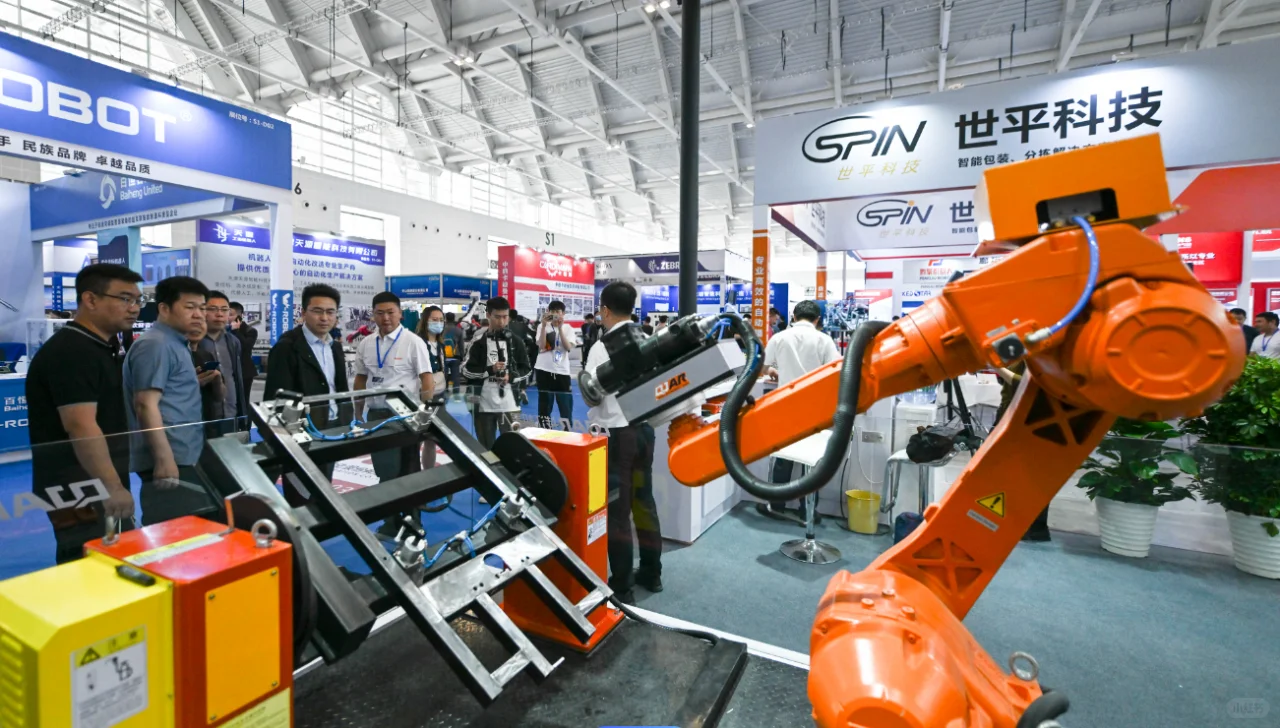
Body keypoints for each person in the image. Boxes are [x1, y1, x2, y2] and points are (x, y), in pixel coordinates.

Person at [26, 264, 142, 563]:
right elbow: (80, 425)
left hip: (94, 480)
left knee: (112, 560)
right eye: (125, 298)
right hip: (79, 486)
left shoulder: (100, 346)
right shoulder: (72, 352)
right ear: (90, 299)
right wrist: (111, 486)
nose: (134, 308)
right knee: (88, 564)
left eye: (137, 300)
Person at [587, 281, 662, 602]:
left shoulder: (602, 347)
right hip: (644, 432)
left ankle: (622, 585)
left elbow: (592, 396)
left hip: (617, 436)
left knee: (617, 512)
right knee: (644, 503)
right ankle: (652, 573)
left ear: (605, 310)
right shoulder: (649, 339)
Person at [122, 275, 214, 526]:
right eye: (190, 307)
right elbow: (145, 404)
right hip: (169, 458)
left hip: (184, 453)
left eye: (202, 308)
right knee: (170, 531)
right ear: (164, 308)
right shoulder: (156, 344)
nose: (199, 314)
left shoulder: (176, 343)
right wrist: (164, 459)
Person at [757, 300, 842, 519]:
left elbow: (762, 366)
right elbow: (836, 372)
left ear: (794, 316)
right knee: (812, 460)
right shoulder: (824, 340)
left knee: (783, 456)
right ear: (817, 320)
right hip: (815, 408)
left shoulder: (780, 337)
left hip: (786, 404)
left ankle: (776, 505)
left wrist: (775, 371)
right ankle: (808, 510)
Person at [263, 284, 352, 430]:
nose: (324, 318)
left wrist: (348, 421)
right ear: (304, 313)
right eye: (317, 311)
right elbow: (276, 398)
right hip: (303, 428)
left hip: (338, 424)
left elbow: (341, 389)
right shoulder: (286, 347)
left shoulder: (335, 347)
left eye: (330, 312)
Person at [462, 297, 530, 449]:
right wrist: (489, 370)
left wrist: (510, 376)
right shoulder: (478, 342)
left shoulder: (516, 341)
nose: (501, 322)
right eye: (497, 317)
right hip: (483, 405)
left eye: (505, 317)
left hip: (510, 404)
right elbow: (465, 370)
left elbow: (526, 369)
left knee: (513, 447)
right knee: (486, 449)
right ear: (488, 315)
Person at [200, 291, 248, 433]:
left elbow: (237, 378)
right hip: (203, 418)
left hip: (231, 414)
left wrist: (243, 415)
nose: (219, 314)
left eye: (224, 309)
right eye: (213, 309)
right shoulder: (193, 342)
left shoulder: (233, 342)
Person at [534, 300, 576, 429]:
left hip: (562, 372)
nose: (555, 314)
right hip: (543, 369)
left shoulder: (568, 328)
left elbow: (568, 347)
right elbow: (541, 346)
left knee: (565, 406)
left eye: (558, 311)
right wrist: (543, 325)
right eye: (553, 311)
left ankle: (567, 431)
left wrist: (561, 328)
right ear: (548, 312)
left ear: (563, 313)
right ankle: (544, 431)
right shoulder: (542, 326)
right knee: (544, 406)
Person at [417, 306, 449, 465]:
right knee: (416, 438)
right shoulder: (417, 343)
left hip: (439, 396)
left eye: (441, 320)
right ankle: (412, 471)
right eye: (434, 320)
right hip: (420, 396)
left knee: (432, 439)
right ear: (425, 321)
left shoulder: (441, 344)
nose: (438, 323)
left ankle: (428, 471)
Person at [185, 317, 227, 434]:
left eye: (201, 322)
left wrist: (217, 380)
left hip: (209, 423)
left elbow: (220, 396)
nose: (197, 327)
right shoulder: (174, 355)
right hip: (185, 425)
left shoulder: (207, 355)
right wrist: (192, 382)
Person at [228, 302, 259, 384]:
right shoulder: (224, 329)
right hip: (228, 370)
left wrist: (236, 331)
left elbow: (245, 347)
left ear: (240, 316)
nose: (227, 317)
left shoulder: (250, 331)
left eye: (230, 315)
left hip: (244, 372)